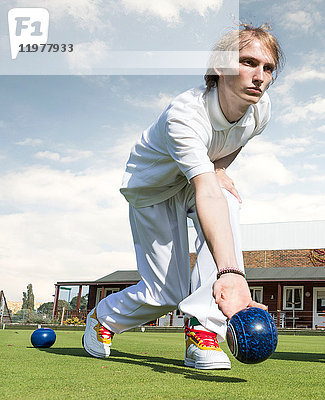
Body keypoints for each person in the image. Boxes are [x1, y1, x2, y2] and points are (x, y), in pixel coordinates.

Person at [82, 24, 284, 370]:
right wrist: (233, 273)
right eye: (249, 62)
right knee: (165, 293)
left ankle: (203, 329)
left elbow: (229, 149)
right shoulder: (186, 114)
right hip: (153, 189)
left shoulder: (260, 110)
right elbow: (205, 190)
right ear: (220, 67)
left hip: (195, 179)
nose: (260, 76)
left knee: (229, 195)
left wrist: (219, 169)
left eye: (267, 68)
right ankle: (103, 318)